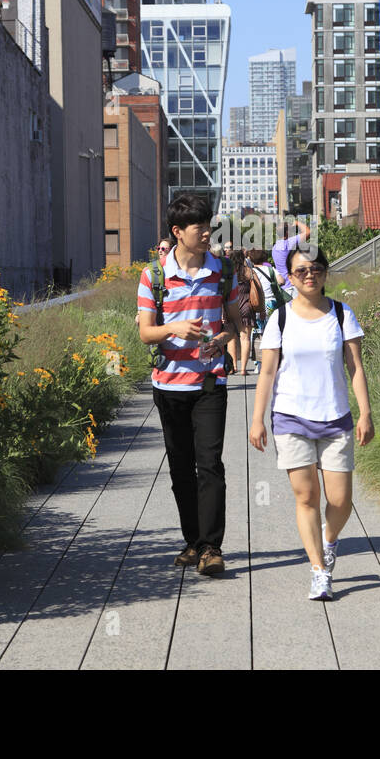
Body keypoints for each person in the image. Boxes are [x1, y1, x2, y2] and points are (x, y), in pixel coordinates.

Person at [249, 245, 374, 601]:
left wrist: (365, 413)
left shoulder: (341, 313)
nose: (309, 275)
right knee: (306, 496)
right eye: (301, 270)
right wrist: (257, 419)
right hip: (291, 418)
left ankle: (328, 539)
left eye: (316, 268)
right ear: (290, 277)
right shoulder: (281, 319)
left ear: (324, 273)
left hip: (336, 418)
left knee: (341, 500)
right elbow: (268, 372)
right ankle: (319, 570)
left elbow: (356, 368)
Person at [137, 194, 244, 576]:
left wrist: (224, 337)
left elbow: (235, 321)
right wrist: (174, 328)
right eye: (199, 226)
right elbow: (147, 333)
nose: (207, 233)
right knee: (181, 468)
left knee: (210, 464)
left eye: (208, 225)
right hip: (168, 384)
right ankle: (193, 542)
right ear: (177, 232)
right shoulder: (155, 275)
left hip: (209, 381)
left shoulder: (224, 271)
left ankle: (212, 547)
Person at [246, 248, 286, 375]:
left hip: (255, 304)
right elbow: (281, 281)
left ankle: (259, 363)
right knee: (273, 332)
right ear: (264, 259)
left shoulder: (250, 271)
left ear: (251, 259)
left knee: (257, 332)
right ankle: (274, 361)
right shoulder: (270, 269)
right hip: (271, 304)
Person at [226, 249, 255, 377]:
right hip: (246, 307)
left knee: (231, 338)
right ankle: (243, 369)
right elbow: (257, 287)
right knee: (245, 338)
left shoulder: (228, 273)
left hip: (231, 307)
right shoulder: (248, 271)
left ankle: (233, 367)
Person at [271, 217, 312, 290]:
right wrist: (296, 222)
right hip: (293, 286)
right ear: (287, 232)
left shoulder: (274, 248)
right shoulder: (288, 243)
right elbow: (308, 232)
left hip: (283, 287)